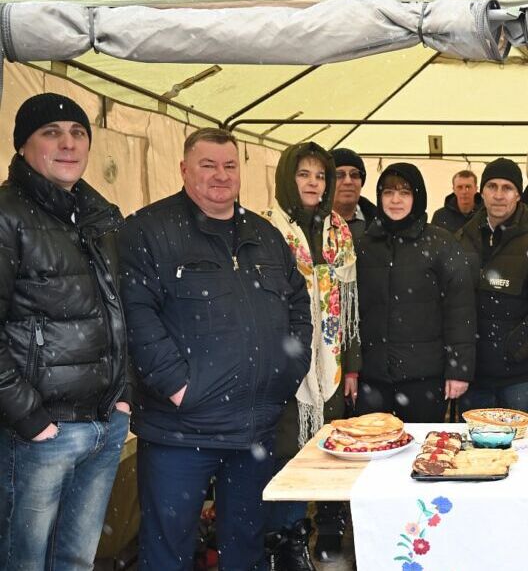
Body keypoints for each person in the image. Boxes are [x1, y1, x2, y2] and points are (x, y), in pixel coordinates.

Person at [119, 128, 312, 570]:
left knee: (246, 549)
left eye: (229, 166)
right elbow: (136, 317)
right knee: (167, 552)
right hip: (180, 431)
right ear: (184, 170)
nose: (220, 175)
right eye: (208, 165)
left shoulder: (265, 235)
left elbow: (299, 304)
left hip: (254, 428)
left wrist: (291, 366)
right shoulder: (148, 230)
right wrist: (177, 386)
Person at [0, 93, 131, 570]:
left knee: (76, 560)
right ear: (23, 146)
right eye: (51, 133)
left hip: (104, 422)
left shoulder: (101, 215)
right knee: (24, 561)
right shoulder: (7, 215)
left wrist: (124, 395)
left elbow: (122, 309)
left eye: (78, 133)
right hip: (41, 431)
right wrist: (30, 418)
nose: (68, 143)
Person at [262, 142, 361, 568]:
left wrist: (352, 367)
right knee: (288, 452)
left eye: (320, 176)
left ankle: (323, 530)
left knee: (329, 448)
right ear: (288, 178)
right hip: (284, 361)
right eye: (303, 174)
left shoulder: (339, 231)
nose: (313, 183)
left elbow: (349, 309)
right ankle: (286, 539)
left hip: (331, 363)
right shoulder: (266, 229)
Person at [354, 163, 475, 422]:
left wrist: (459, 369)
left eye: (404, 192)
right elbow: (351, 313)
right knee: (372, 442)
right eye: (388, 192)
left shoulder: (441, 243)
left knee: (423, 445)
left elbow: (460, 310)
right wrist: (351, 368)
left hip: (424, 377)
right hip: (373, 376)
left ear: (417, 196)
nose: (395, 200)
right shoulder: (363, 245)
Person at [457, 158, 528, 415]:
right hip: (474, 375)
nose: (498, 195)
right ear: (481, 192)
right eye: (492, 186)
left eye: (507, 188)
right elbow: (453, 301)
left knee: (522, 440)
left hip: (520, 377)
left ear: (518, 194)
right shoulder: (463, 238)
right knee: (475, 441)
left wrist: (513, 348)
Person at [331, 148, 377, 238]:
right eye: (339, 175)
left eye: (355, 175)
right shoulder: (309, 226)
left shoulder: (381, 225)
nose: (348, 181)